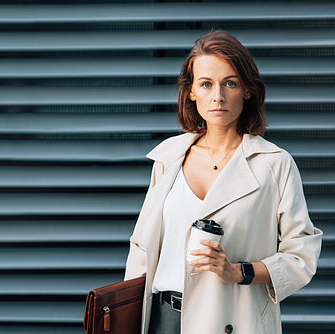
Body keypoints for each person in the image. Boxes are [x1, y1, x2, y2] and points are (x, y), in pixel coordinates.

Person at [124, 30, 322, 334]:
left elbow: (301, 255)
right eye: (206, 84)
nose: (218, 95)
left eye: (230, 83)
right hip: (160, 320)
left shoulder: (274, 164)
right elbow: (141, 249)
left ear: (247, 90)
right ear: (191, 92)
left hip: (234, 321)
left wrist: (237, 271)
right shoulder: (168, 158)